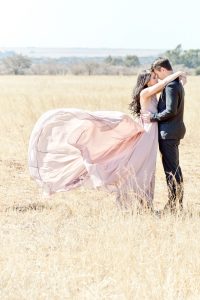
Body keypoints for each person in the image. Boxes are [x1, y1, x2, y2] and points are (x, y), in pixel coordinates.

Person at [28, 69, 185, 210]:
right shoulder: (146, 93)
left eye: (156, 76)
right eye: (153, 77)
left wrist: (181, 81)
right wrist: (177, 73)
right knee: (139, 167)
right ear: (145, 81)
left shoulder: (151, 92)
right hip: (147, 132)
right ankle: (132, 202)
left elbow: (168, 88)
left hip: (151, 133)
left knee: (147, 168)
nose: (156, 79)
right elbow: (164, 83)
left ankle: (144, 203)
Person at [142, 57, 186, 212]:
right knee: (174, 169)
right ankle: (175, 204)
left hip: (168, 133)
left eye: (156, 74)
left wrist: (152, 117)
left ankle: (175, 206)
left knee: (171, 170)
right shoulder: (175, 83)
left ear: (161, 69)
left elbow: (170, 111)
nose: (158, 78)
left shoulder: (171, 86)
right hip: (173, 130)